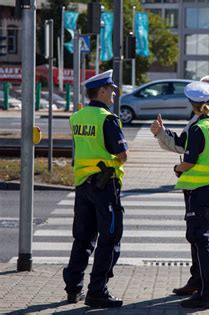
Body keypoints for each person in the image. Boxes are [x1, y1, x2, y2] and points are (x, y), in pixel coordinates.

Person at [151, 75, 209, 302]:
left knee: (205, 240)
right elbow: (183, 143)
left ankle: (208, 289)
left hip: (207, 190)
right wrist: (161, 134)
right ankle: (206, 284)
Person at [63, 70, 128, 308]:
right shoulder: (107, 118)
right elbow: (122, 155)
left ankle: (73, 287)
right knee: (110, 238)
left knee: (83, 238)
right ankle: (97, 291)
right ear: (101, 91)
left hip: (83, 184)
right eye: (111, 89)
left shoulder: (77, 117)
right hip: (105, 185)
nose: (113, 94)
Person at [169, 81, 209, 309]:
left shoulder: (197, 128)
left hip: (199, 193)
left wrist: (177, 169)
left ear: (192, 105)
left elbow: (189, 161)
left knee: (202, 242)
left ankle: (206, 295)